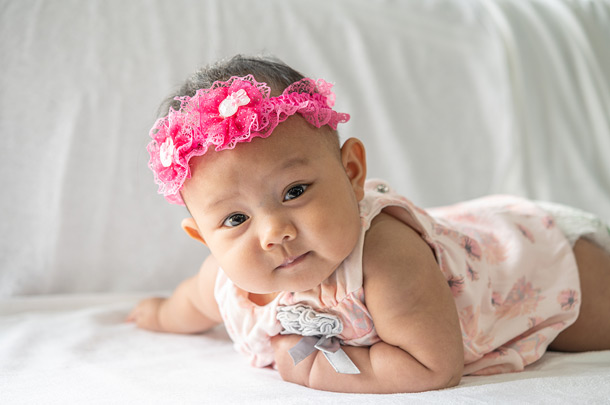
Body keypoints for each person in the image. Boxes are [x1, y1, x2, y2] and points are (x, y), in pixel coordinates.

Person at [127, 54, 610, 394]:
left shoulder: (385, 259)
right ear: (204, 238)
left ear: (352, 172)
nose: (274, 232)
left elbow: (433, 367)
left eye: (295, 191)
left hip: (531, 264)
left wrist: (312, 370)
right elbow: (188, 304)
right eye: (235, 219)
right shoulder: (224, 282)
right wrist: (159, 313)